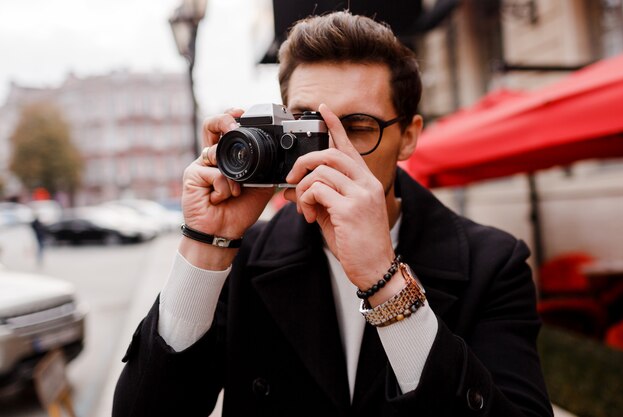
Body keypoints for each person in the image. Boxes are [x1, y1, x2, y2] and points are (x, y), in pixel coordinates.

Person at [113, 11, 553, 417]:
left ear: (408, 138)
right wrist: (207, 244)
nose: (328, 152)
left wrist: (385, 281)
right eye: (307, 126)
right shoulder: (246, 258)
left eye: (358, 128)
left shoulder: (493, 263)